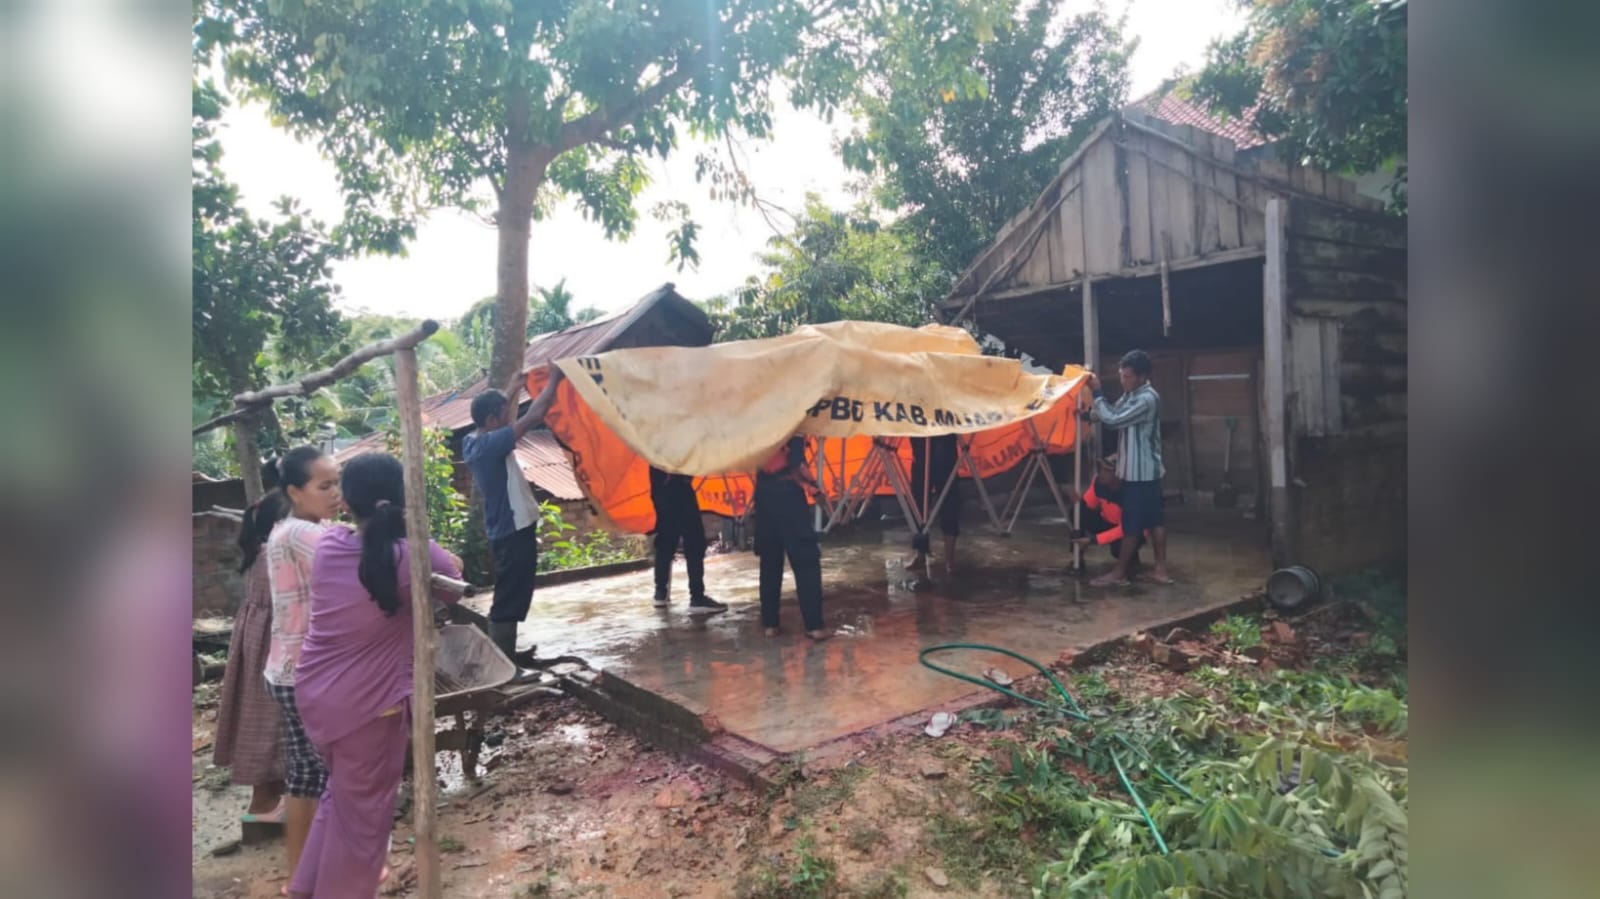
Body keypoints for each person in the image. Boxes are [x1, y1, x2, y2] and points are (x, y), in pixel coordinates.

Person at [290, 452, 464, 899]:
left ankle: (304, 888)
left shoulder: (329, 547)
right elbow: (453, 577)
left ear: (347, 503)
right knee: (365, 816)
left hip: (317, 696)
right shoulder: (412, 556)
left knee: (342, 797)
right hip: (369, 707)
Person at [263, 446, 344, 893]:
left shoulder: (297, 529)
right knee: (330, 778)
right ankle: (315, 877)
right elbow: (358, 558)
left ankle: (299, 879)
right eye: (325, 485)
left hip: (288, 671)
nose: (336, 493)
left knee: (305, 778)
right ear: (295, 491)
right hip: (305, 675)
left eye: (338, 483)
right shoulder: (299, 534)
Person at [463, 365, 564, 664]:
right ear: (492, 420)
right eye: (503, 413)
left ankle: (507, 654)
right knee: (510, 594)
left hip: (507, 528)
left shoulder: (474, 440)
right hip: (513, 527)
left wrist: (512, 385)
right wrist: (556, 378)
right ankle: (503, 663)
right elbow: (534, 416)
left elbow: (498, 415)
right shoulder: (491, 445)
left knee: (515, 590)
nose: (508, 417)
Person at [212, 490, 289, 824]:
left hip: (259, 645)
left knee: (263, 720)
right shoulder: (276, 554)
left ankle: (268, 800)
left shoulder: (259, 552)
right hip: (272, 648)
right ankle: (264, 804)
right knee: (271, 721)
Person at [1087, 350, 1173, 586]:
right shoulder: (1132, 395)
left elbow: (1114, 420)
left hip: (1139, 474)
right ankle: (1160, 570)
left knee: (1132, 524)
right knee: (1155, 521)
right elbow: (1111, 412)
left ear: (1142, 376)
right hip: (1148, 472)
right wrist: (1091, 415)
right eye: (1122, 376)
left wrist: (1096, 391)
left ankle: (1119, 573)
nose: (1123, 381)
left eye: (1127, 376)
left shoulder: (1146, 399)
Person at [754, 436, 831, 641]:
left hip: (763, 493)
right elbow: (797, 465)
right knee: (806, 560)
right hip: (787, 495)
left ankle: (770, 624)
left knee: (770, 561)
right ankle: (814, 626)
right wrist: (815, 490)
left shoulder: (757, 419)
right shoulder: (790, 420)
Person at [649, 466, 727, 615]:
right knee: (694, 539)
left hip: (660, 485)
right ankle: (697, 597)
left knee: (666, 538)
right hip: (678, 485)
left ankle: (660, 592)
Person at [1067, 456, 1147, 571]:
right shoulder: (1099, 483)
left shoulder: (1131, 492)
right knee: (1077, 511)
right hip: (1108, 522)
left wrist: (1093, 540)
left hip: (1132, 530)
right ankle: (1077, 556)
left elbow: (1125, 527)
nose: (1102, 473)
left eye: (1108, 471)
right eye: (1102, 469)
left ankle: (1131, 559)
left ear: (1119, 475)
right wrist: (1077, 501)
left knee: (1118, 549)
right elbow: (1087, 504)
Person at [904, 434, 962, 574]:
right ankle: (921, 553)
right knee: (919, 504)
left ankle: (949, 558)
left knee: (948, 501)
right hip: (922, 449)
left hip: (943, 447)